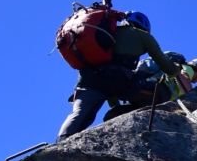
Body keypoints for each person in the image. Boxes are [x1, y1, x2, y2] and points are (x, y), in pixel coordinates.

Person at [57, 11, 181, 141]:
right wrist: (178, 68)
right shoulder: (143, 36)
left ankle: (60, 143)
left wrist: (114, 104)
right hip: (119, 80)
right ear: (145, 27)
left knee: (80, 113)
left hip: (88, 77)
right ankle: (125, 112)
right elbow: (169, 70)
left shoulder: (109, 32)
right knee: (160, 93)